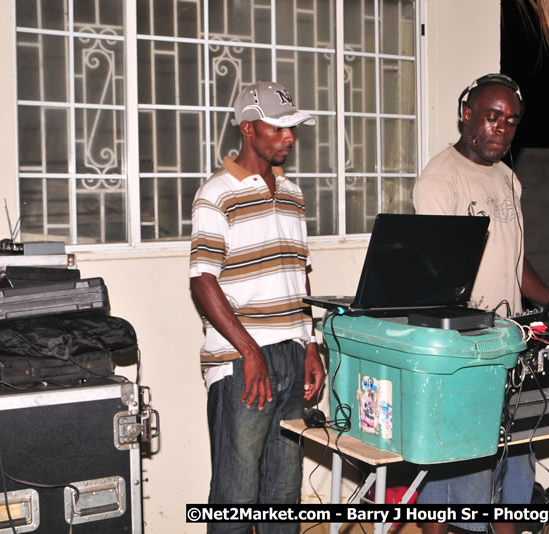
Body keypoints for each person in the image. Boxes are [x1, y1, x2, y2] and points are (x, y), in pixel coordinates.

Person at [413, 73, 549, 534]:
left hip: (511, 344)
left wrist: (546, 295)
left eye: (510, 121)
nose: (501, 128)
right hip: (465, 350)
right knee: (456, 473)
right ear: (466, 114)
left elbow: (514, 256)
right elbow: (437, 279)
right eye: (492, 117)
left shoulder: (508, 178)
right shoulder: (439, 180)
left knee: (511, 463)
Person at [189, 81, 326, 534]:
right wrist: (249, 352)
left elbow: (299, 276)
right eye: (279, 127)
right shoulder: (217, 193)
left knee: (282, 496)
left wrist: (310, 345)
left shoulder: (293, 194)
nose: (290, 136)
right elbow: (202, 281)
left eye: (293, 128)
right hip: (241, 363)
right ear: (248, 128)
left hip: (289, 353)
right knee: (236, 497)